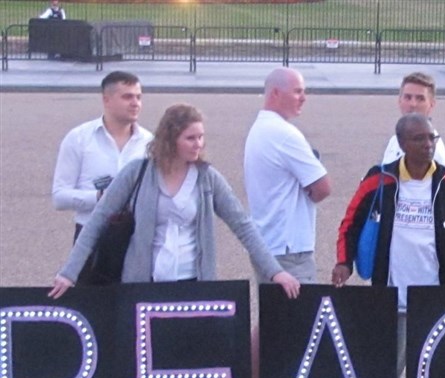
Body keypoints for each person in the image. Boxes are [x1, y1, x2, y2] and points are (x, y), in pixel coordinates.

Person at [48, 103, 300, 300]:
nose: (198, 145)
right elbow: (97, 221)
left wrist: (275, 271)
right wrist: (69, 273)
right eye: (190, 138)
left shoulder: (207, 177)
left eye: (201, 137)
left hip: (193, 280)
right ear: (171, 139)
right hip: (144, 282)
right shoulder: (137, 172)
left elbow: (243, 225)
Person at [332, 113, 445, 378]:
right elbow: (350, 223)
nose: (428, 145)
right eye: (419, 139)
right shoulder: (380, 179)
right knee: (385, 373)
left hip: (435, 299)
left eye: (432, 138)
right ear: (402, 143)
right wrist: (343, 262)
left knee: (433, 375)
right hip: (391, 297)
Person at [52, 71, 153, 284]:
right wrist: (101, 198)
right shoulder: (78, 139)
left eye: (138, 96)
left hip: (135, 238)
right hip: (91, 238)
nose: (135, 103)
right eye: (127, 97)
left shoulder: (149, 143)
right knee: (92, 307)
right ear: (106, 100)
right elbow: (59, 197)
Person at [243, 67, 331, 284]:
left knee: (275, 316)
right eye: (297, 92)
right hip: (289, 249)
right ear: (275, 93)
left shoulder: (259, 129)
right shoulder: (285, 134)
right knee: (300, 316)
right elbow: (323, 188)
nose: (303, 98)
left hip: (267, 244)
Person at [382, 71, 445, 166]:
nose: (413, 104)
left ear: (432, 104)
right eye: (408, 97)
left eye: (420, 99)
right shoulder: (394, 140)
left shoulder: (431, 149)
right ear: (399, 101)